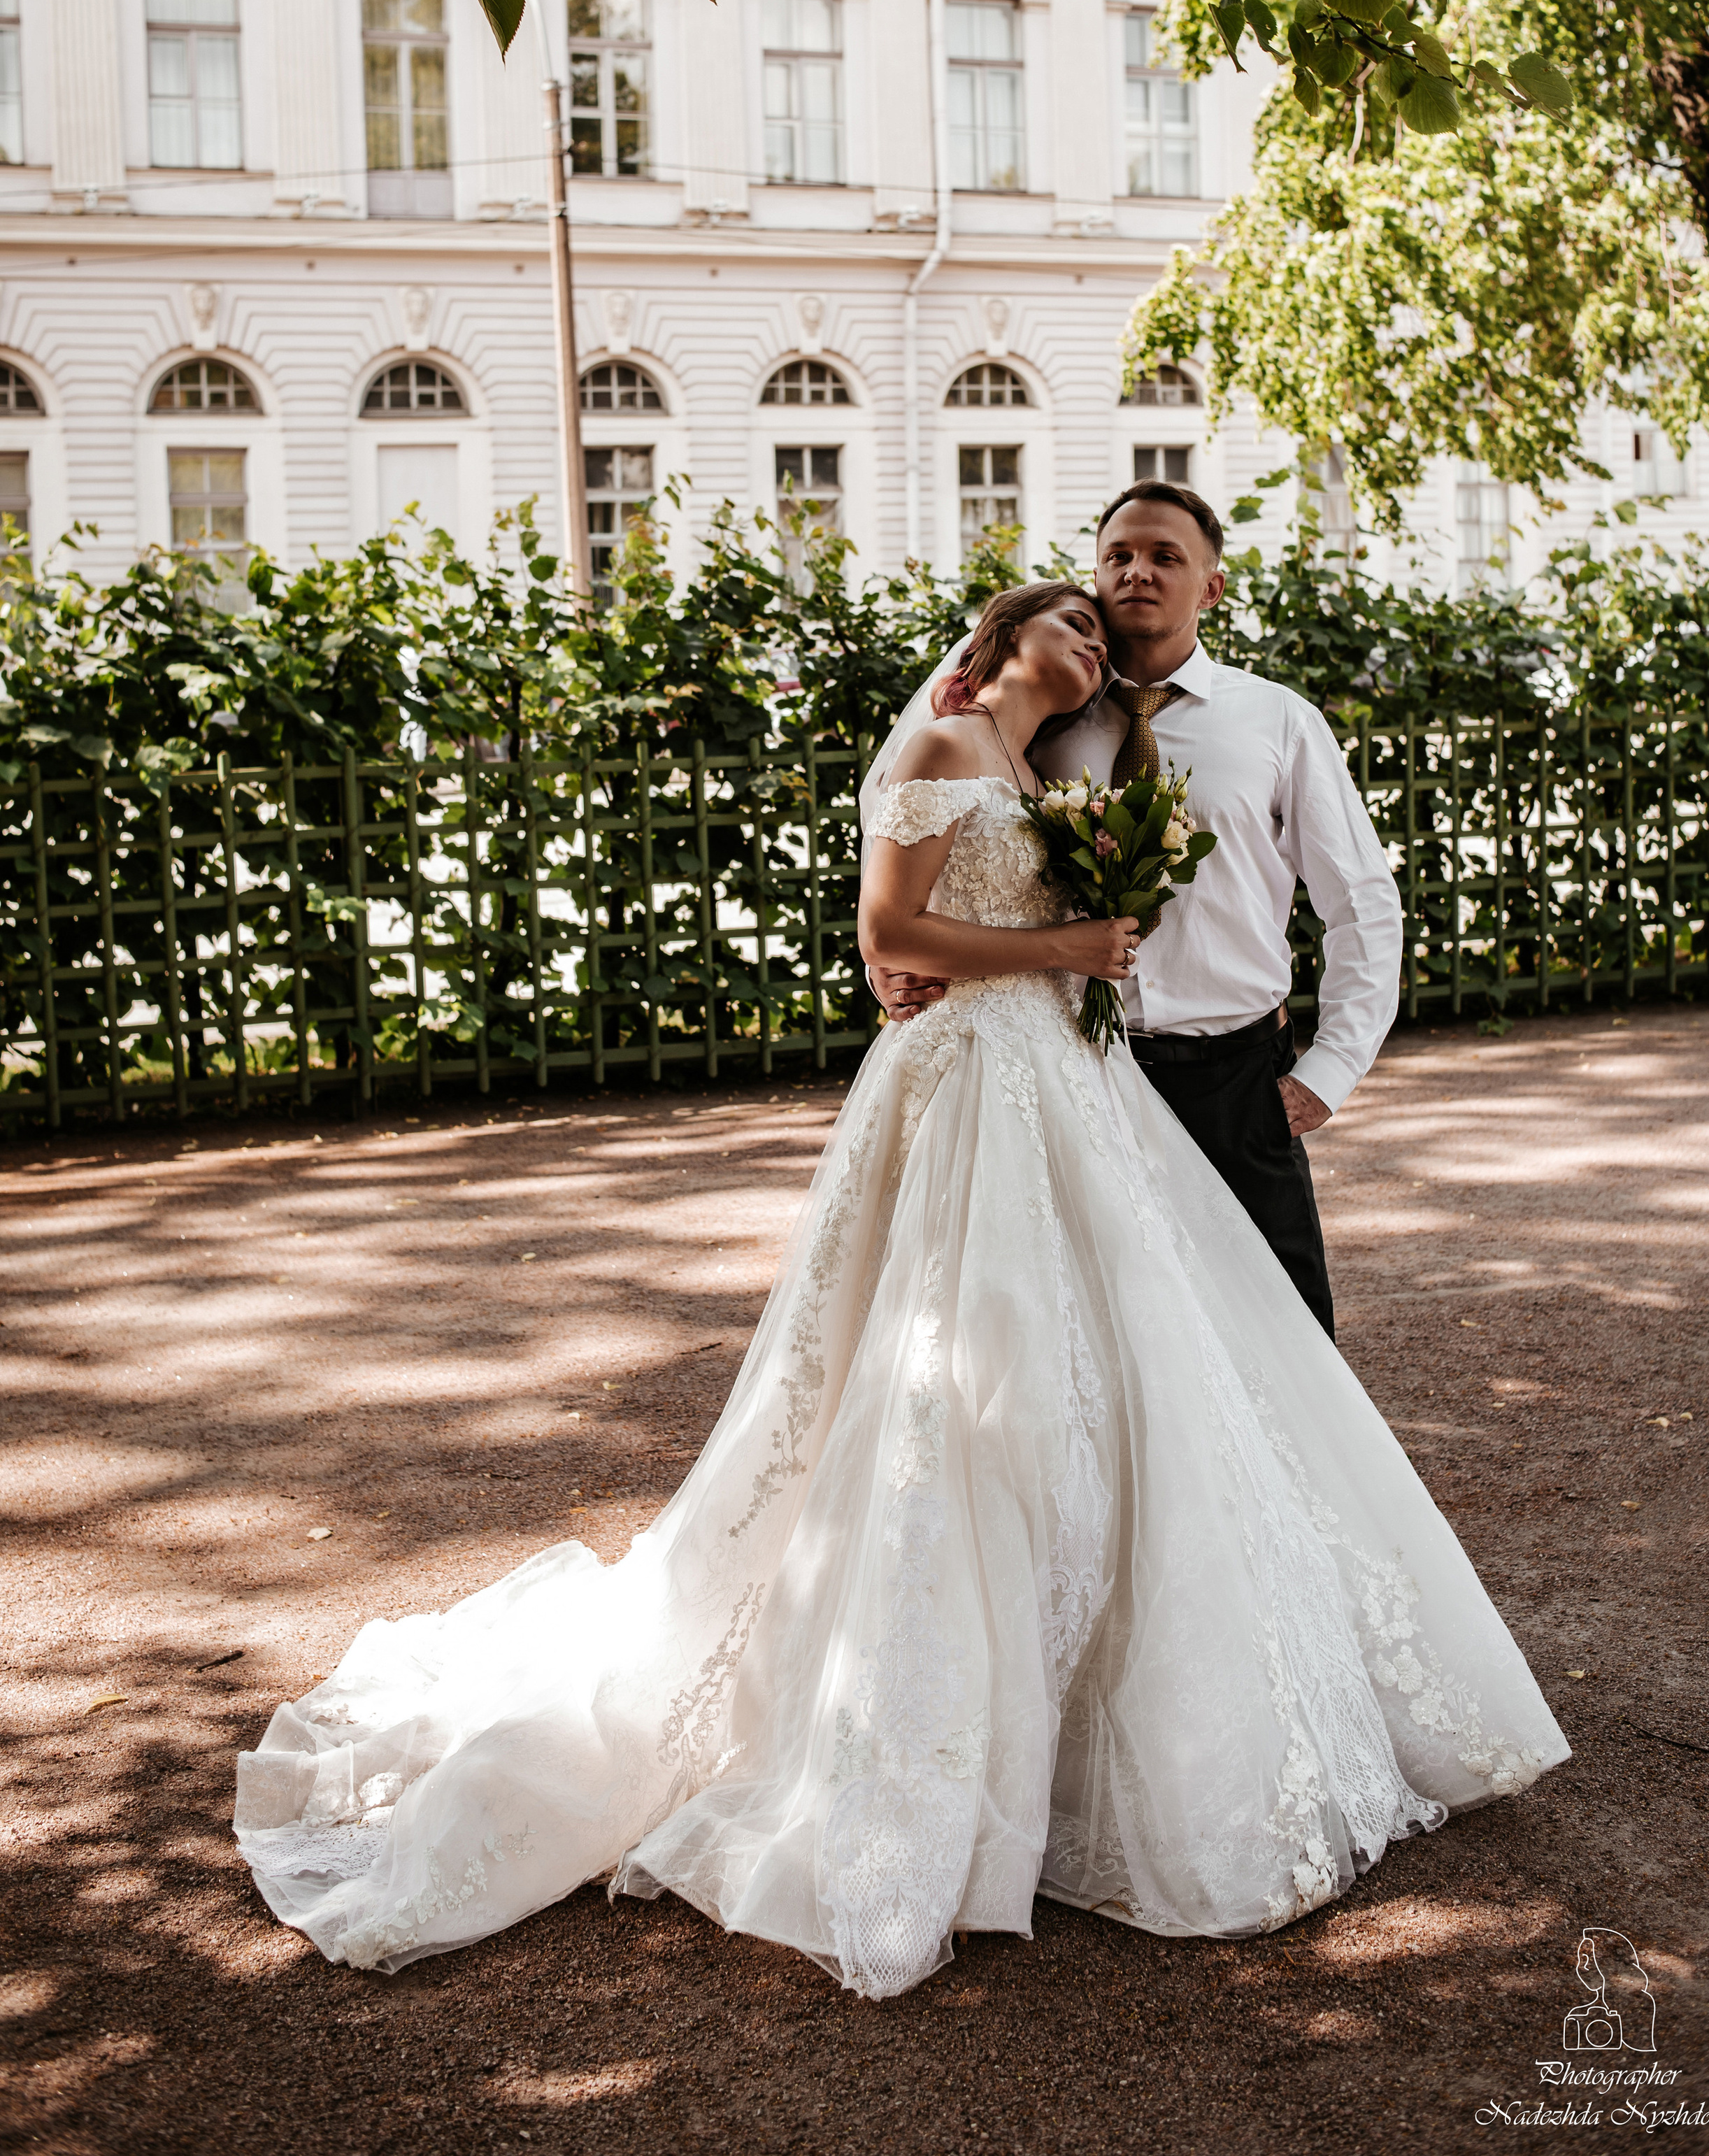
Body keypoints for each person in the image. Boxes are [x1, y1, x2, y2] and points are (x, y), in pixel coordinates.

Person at [232, 580, 1567, 2002]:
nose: (1092, 647)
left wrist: (1090, 944)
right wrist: (1056, 949)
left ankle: (1099, 1728)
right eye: (1069, 627)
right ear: (999, 643)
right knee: (956, 1370)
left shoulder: (1047, 774)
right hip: (969, 1085)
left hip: (1065, 1082)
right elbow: (895, 928)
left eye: (1100, 640)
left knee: (1101, 1380)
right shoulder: (939, 748)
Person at [870, 481, 1401, 1342]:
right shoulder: (1040, 726)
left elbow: (1362, 901)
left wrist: (1328, 1071)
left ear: (1210, 587)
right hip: (1074, 1069)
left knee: (1285, 1334)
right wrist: (889, 967)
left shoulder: (1276, 721)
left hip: (1233, 1075)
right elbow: (927, 856)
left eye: (1164, 556)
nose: (1137, 572)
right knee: (1106, 1344)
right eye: (1117, 556)